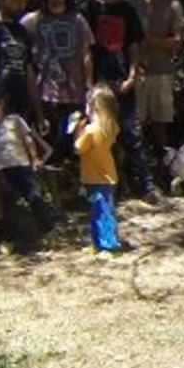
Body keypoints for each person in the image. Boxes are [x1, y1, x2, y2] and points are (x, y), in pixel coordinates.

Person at [83, 0, 163, 203]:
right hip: (99, 81)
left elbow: (134, 45)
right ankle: (106, 186)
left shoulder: (127, 10)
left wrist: (132, 74)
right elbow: (85, 48)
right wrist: (89, 83)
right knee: (101, 135)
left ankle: (144, 186)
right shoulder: (90, 9)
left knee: (131, 133)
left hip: (123, 78)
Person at [21, 0, 94, 167]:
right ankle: (52, 192)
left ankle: (76, 189)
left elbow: (86, 54)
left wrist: (89, 87)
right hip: (46, 96)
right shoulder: (32, 21)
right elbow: (24, 58)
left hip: (75, 95)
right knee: (48, 148)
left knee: (76, 145)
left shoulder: (78, 20)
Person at [0, 92, 58, 253]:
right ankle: (9, 239)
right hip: (2, 170)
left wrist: (35, 158)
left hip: (21, 165)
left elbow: (28, 139)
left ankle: (48, 232)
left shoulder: (15, 120)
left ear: (1, 105)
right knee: (8, 206)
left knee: (35, 198)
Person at [132, 0, 184, 156]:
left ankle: (164, 163)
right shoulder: (134, 3)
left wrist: (150, 40)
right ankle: (138, 165)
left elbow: (178, 42)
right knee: (136, 124)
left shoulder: (173, 6)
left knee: (161, 123)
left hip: (162, 71)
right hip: (136, 71)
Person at [74, 86, 125, 257]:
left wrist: (77, 131)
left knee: (101, 212)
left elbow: (78, 148)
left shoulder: (91, 130)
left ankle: (110, 246)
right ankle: (99, 243)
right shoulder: (111, 127)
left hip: (96, 177)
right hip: (106, 176)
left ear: (95, 107)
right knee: (103, 210)